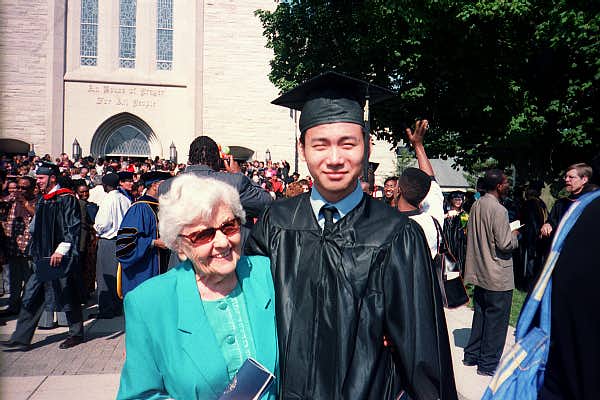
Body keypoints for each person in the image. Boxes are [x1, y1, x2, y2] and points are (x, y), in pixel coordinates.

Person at [246, 71, 456, 399]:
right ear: (302, 148)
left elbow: (423, 353)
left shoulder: (397, 235)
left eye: (348, 143)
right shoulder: (277, 223)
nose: (334, 159)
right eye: (320, 145)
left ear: (368, 146)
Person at [117, 175, 277, 400]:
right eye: (203, 235)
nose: (222, 242)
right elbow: (138, 395)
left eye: (229, 226)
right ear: (180, 247)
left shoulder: (267, 275)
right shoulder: (149, 303)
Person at [1, 162, 84, 350]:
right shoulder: (45, 198)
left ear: (52, 178)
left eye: (40, 178)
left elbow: (73, 227)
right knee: (31, 295)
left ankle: (76, 333)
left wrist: (60, 250)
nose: (37, 181)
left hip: (59, 256)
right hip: (42, 257)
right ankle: (21, 337)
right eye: (37, 178)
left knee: (66, 293)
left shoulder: (65, 197)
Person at [160, 135, 272, 249]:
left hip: (183, 260)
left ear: (189, 160)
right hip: (223, 255)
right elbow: (266, 203)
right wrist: (238, 173)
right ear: (218, 160)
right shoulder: (234, 182)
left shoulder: (166, 187)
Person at [463, 169, 519, 375]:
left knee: (480, 316)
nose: (508, 185)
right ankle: (487, 365)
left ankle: (471, 355)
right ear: (498, 186)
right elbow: (505, 244)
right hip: (498, 275)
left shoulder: (477, 204)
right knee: (496, 323)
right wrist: (514, 234)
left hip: (480, 272)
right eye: (506, 182)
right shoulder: (499, 210)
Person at [395, 119, 445, 259]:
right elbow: (431, 182)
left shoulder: (387, 225)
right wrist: (419, 146)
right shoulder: (433, 222)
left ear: (398, 190)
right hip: (427, 280)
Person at [116, 171, 171, 297]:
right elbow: (124, 244)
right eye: (166, 185)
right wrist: (153, 242)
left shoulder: (163, 207)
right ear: (155, 186)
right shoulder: (140, 208)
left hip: (163, 270)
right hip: (144, 271)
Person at [93, 172, 131, 319]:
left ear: (106, 185)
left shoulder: (108, 199)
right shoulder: (125, 199)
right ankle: (117, 307)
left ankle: (106, 309)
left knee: (105, 276)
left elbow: (103, 223)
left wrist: (95, 228)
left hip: (108, 241)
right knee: (118, 275)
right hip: (122, 240)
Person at [0, 176, 36, 316]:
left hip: (29, 248)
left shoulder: (37, 200)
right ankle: (13, 306)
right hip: (13, 247)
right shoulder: (12, 200)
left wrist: (26, 203)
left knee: (29, 281)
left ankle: (27, 308)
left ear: (32, 188)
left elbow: (37, 216)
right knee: (14, 280)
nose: (20, 190)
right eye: (18, 187)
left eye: (24, 188)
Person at [540, 163, 596, 238]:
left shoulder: (594, 202)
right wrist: (547, 225)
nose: (566, 180)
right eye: (566, 177)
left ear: (584, 179)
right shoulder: (561, 204)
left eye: (571, 177)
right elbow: (552, 222)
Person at [444, 191, 469, 275]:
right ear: (451, 200)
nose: (458, 202)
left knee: (461, 263)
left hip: (461, 244)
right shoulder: (447, 213)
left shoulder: (465, 215)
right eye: (456, 199)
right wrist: (447, 215)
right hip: (449, 242)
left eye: (460, 199)